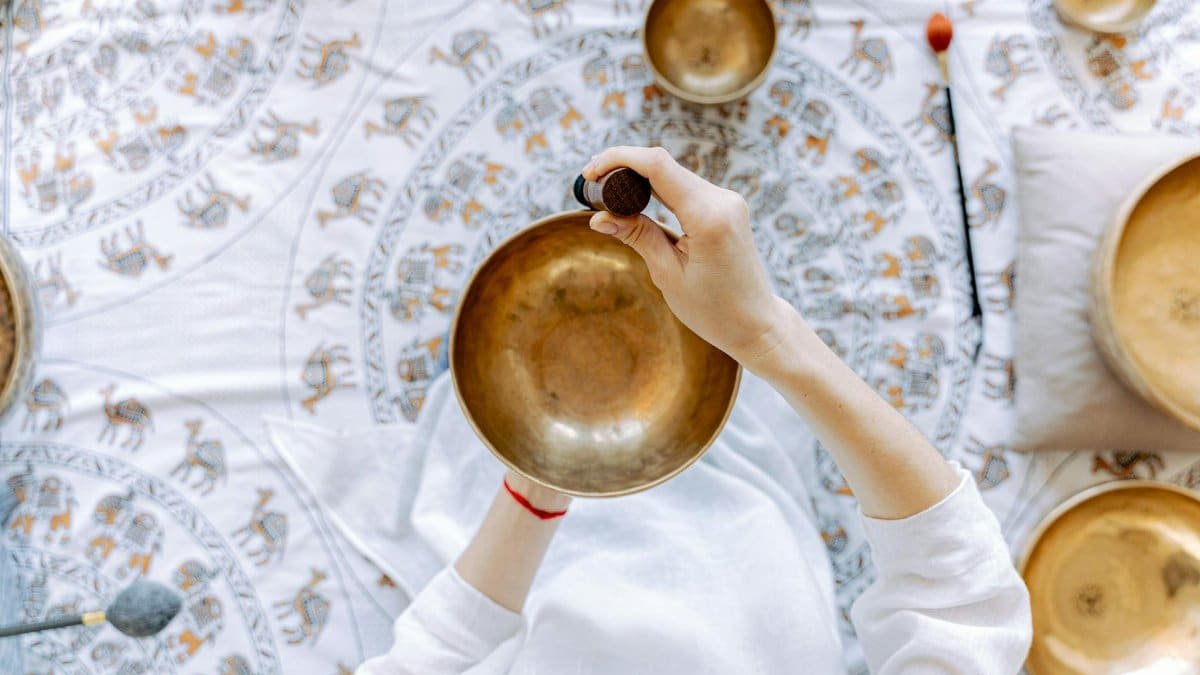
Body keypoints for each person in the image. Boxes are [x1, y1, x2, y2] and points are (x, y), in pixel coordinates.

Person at [358, 146, 1032, 674]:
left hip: (551, 569)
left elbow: (438, 654)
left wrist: (538, 488)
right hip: (747, 569)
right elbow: (957, 600)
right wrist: (765, 333)